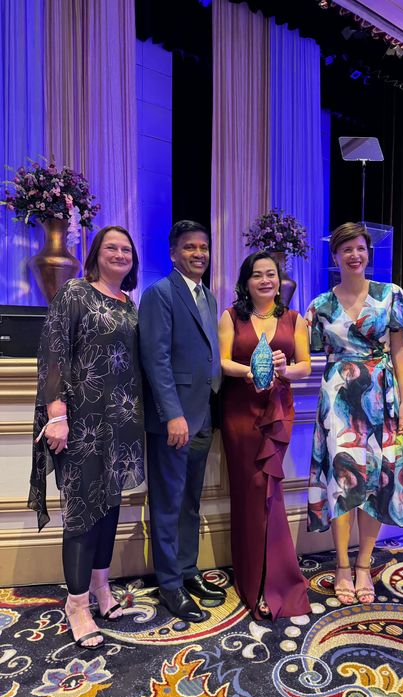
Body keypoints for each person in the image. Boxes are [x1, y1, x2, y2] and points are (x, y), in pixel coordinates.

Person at [29, 225, 145, 649]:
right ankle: (76, 604)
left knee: (109, 507)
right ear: (96, 253)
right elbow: (53, 354)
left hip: (121, 423)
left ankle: (101, 588)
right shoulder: (75, 293)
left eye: (126, 249)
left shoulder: (129, 303)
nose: (120, 254)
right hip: (82, 423)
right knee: (81, 512)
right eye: (111, 247)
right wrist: (56, 415)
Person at [305, 222, 403, 606]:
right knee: (342, 480)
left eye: (360, 248)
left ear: (368, 253)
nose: (354, 255)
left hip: (382, 396)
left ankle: (364, 564)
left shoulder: (390, 295)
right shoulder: (320, 305)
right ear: (335, 256)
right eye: (346, 249)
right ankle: (341, 565)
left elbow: (400, 352)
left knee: (378, 480)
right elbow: (304, 349)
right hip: (338, 400)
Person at [139, 220, 225, 622]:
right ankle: (170, 584)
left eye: (203, 247)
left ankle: (188, 570)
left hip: (203, 415)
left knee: (190, 502)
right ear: (173, 252)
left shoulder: (208, 295)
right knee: (168, 503)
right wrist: (172, 414)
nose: (199, 253)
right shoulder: (159, 293)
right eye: (190, 247)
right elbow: (155, 359)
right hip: (174, 421)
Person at [218, 252, 312, 620]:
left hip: (277, 413)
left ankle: (274, 578)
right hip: (240, 414)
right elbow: (222, 361)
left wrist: (285, 369)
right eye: (256, 275)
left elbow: (305, 366)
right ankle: (251, 578)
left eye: (270, 274)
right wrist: (249, 371)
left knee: (269, 491)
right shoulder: (231, 316)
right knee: (248, 493)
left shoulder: (294, 319)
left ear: (279, 279)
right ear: (246, 281)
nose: (264, 280)